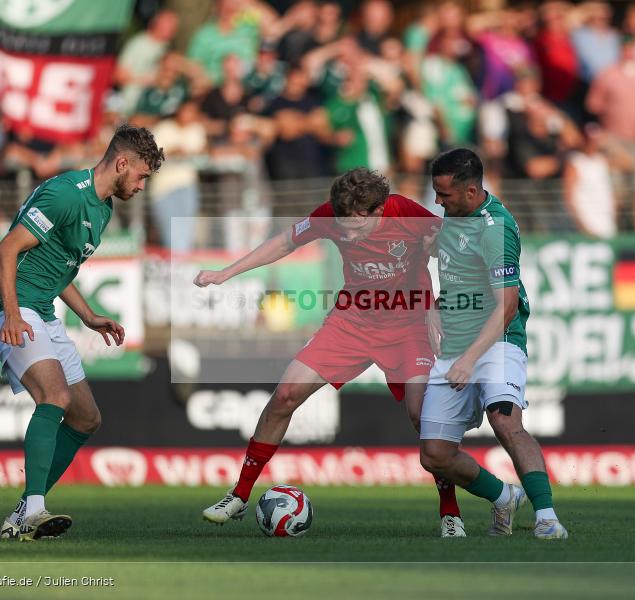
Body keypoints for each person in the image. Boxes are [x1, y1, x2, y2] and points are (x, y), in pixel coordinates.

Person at [194, 168, 468, 538]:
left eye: (356, 227)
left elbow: (452, 250)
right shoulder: (332, 214)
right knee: (285, 395)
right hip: (352, 322)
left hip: (408, 326)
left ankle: (450, 512)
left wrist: (436, 303)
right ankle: (240, 495)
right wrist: (226, 273)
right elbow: (284, 243)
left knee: (423, 415)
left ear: (379, 210)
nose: (348, 236)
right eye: (343, 228)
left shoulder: (405, 212)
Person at [0, 125, 165, 541]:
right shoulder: (65, 194)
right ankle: (33, 510)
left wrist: (88, 314)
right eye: (141, 176)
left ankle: (25, 511)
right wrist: (12, 315)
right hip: (9, 307)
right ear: (121, 163)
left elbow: (57, 268)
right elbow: (6, 249)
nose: (142, 186)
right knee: (55, 396)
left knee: (85, 417)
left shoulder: (103, 208)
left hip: (41, 310)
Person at [418, 148, 569, 540]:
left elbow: (506, 305)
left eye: (444, 194)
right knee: (434, 455)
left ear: (471, 192)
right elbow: (458, 271)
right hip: (455, 344)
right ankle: (504, 496)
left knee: (505, 421)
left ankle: (547, 517)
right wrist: (435, 307)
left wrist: (470, 360)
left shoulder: (494, 228)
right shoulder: (454, 216)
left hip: (496, 340)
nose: (438, 202)